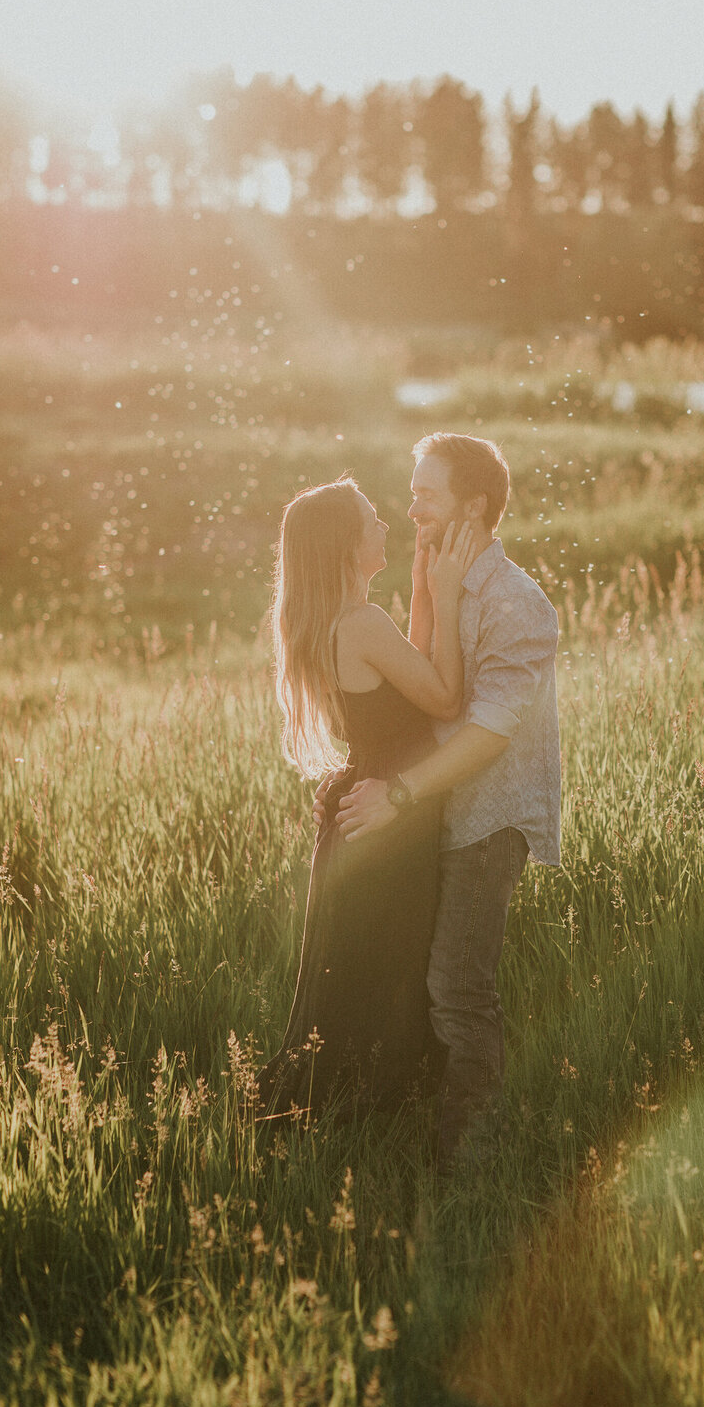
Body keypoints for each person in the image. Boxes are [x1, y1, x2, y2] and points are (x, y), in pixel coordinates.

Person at [335, 434, 561, 1170]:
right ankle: (405, 1124)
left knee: (458, 989)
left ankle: (473, 1164)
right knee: (420, 981)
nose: (410, 508)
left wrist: (398, 793)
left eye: (425, 495)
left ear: (473, 506)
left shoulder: (517, 603)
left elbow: (487, 734)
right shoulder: (441, 574)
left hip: (486, 820)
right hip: (431, 811)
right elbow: (423, 690)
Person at [261, 477, 476, 1117]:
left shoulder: (333, 622)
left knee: (358, 961)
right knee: (391, 961)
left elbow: (401, 678)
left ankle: (360, 1102)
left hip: (368, 797)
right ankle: (377, 1107)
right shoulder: (360, 622)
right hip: (391, 813)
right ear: (347, 544)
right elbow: (441, 698)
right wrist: (446, 597)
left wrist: (418, 591)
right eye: (372, 519)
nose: (386, 525)